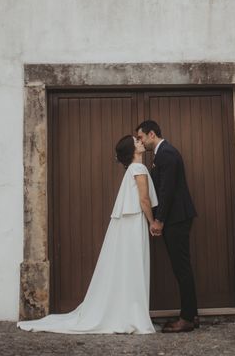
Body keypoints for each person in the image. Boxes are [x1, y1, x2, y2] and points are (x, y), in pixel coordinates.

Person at [17, 135, 158, 334]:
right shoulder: (139, 169)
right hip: (135, 222)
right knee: (134, 264)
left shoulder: (131, 171)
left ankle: (128, 311)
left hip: (128, 222)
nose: (141, 142)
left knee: (127, 265)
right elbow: (144, 200)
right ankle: (133, 313)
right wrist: (153, 222)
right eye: (137, 141)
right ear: (132, 150)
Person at [135, 120, 199, 333]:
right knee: (181, 266)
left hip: (176, 219)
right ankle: (192, 314)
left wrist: (159, 220)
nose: (141, 142)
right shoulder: (161, 155)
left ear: (151, 134)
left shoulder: (167, 154)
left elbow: (167, 190)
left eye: (142, 137)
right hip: (174, 218)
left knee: (181, 267)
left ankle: (187, 318)